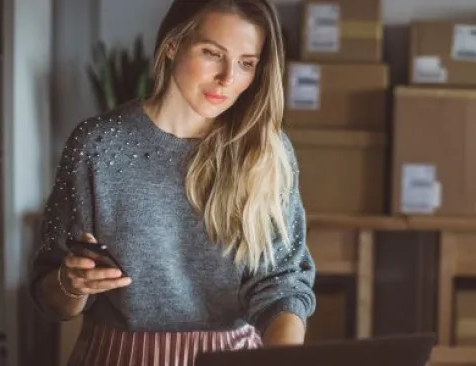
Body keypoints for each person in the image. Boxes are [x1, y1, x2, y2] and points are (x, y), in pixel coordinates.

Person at [28, 0, 316, 364]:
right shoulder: (97, 146)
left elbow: (283, 285)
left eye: (246, 63)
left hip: (233, 357)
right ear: (172, 45)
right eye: (212, 53)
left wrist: (285, 360)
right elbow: (49, 295)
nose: (228, 78)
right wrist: (71, 284)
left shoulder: (266, 153)